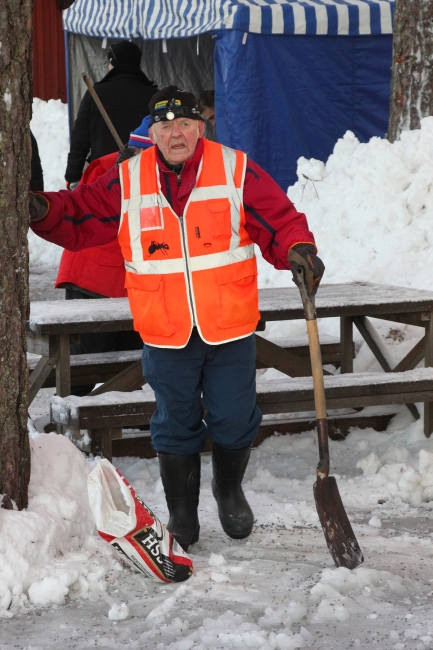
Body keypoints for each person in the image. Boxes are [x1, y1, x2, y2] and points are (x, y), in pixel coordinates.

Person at [29, 86, 324, 551]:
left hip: (228, 326)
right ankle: (182, 513)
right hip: (165, 329)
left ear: (200, 127)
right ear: (153, 133)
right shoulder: (128, 178)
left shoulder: (234, 168)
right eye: (165, 126)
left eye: (185, 123)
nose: (176, 133)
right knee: (174, 421)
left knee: (233, 416)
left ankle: (228, 489)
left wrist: (297, 249)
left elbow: (277, 218)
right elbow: (83, 210)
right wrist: (44, 210)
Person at [56, 116, 153, 395]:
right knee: (85, 367)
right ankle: (67, 427)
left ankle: (119, 425)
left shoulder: (167, 175)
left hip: (132, 284)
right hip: (94, 279)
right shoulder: (107, 168)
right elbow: (85, 206)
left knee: (129, 368)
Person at [65, 40, 157, 187]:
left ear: (113, 63)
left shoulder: (95, 94)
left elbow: (79, 142)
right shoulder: (154, 96)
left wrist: (72, 177)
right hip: (143, 177)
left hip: (102, 179)